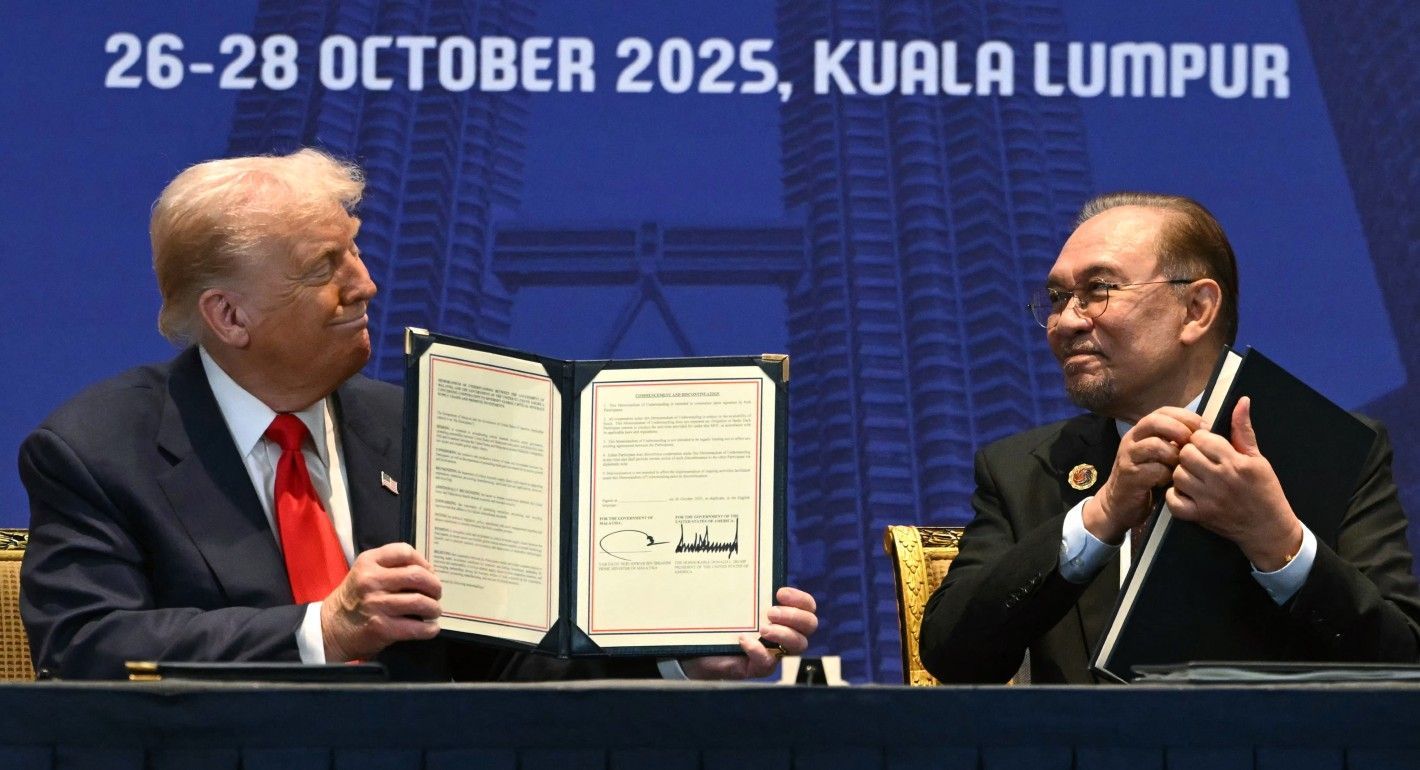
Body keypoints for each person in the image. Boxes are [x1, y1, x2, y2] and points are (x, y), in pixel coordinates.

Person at [19, 149, 817, 681]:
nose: (364, 283)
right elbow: (87, 646)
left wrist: (680, 655)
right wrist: (320, 632)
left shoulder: (426, 427)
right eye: (323, 268)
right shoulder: (96, 450)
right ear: (229, 316)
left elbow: (506, 658)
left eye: (356, 249)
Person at [918, 192, 1420, 684]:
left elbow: (1403, 663)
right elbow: (953, 657)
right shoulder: (1021, 469)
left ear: (1197, 309)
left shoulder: (1327, 449)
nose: (1065, 321)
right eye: (1057, 298)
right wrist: (1100, 516)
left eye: (1098, 290)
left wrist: (1279, 544)